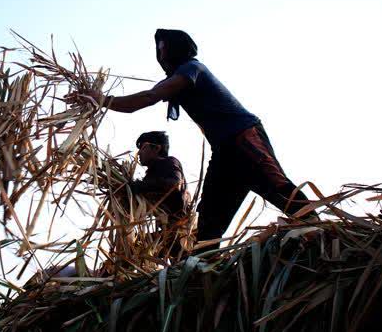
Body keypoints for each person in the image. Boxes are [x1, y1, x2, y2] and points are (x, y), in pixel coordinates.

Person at [78, 29, 313, 250]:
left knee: (280, 190)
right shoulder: (179, 77)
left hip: (244, 140)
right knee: (210, 222)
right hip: (223, 151)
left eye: (163, 49)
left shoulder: (192, 69)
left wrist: (102, 99)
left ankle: (324, 232)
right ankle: (203, 272)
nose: (160, 55)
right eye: (159, 51)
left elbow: (149, 97)